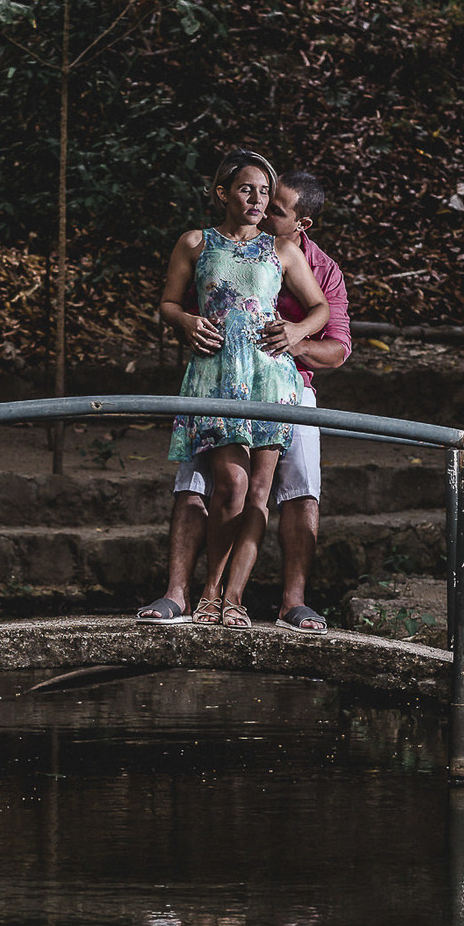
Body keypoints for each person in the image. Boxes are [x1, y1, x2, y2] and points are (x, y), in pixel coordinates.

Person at [139, 169, 350, 633]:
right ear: (223, 194)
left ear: (301, 223)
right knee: (205, 483)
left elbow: (334, 335)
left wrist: (295, 337)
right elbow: (171, 303)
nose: (262, 206)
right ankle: (187, 594)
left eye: (273, 204)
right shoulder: (199, 242)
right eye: (252, 193)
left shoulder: (304, 260)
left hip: (284, 382)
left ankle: (275, 601)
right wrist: (187, 322)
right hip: (217, 376)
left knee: (291, 489)